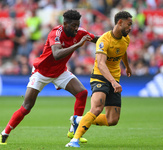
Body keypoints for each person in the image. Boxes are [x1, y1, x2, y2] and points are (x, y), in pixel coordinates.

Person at [0, 9, 99, 145]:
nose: (76, 28)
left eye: (78, 25)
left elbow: (98, 39)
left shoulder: (80, 33)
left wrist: (114, 37)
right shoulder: (56, 33)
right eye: (73, 26)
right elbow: (57, 54)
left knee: (82, 93)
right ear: (65, 23)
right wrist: (78, 44)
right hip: (42, 72)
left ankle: (74, 131)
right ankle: (4, 133)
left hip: (59, 72)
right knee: (27, 106)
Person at [65, 10, 133, 148]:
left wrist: (127, 66)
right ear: (120, 22)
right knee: (96, 108)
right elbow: (101, 64)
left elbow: (123, 51)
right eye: (128, 24)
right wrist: (113, 82)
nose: (130, 27)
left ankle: (79, 120)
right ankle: (74, 140)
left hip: (115, 78)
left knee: (112, 120)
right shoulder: (104, 40)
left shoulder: (126, 38)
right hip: (100, 77)